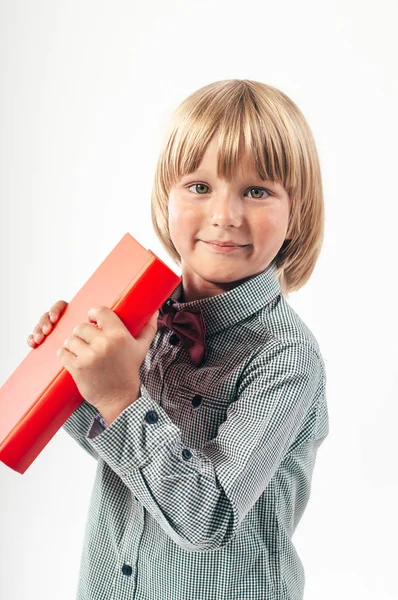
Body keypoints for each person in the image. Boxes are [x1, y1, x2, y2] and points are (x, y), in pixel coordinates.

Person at [28, 79, 329, 600]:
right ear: (164, 197)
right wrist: (73, 368)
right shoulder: (144, 316)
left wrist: (121, 394)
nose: (225, 216)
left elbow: (207, 516)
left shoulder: (286, 358)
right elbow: (117, 450)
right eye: (199, 186)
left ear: (295, 213)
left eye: (257, 191)